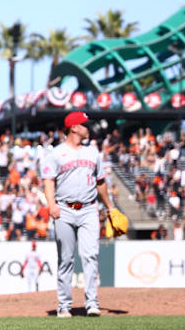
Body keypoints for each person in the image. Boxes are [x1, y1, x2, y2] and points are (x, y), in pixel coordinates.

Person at [40, 111, 115, 318]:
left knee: (91, 255)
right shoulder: (55, 153)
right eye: (84, 124)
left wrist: (109, 206)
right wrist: (52, 204)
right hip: (64, 209)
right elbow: (48, 181)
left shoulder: (93, 153)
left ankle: (92, 302)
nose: (88, 128)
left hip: (89, 209)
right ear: (73, 127)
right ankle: (64, 305)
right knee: (66, 259)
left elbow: (100, 183)